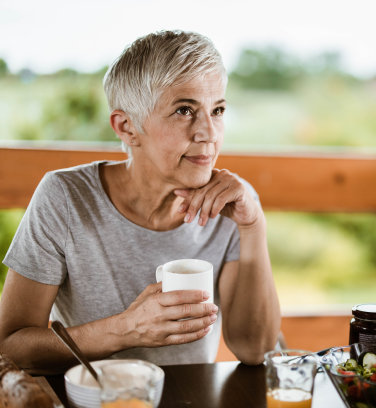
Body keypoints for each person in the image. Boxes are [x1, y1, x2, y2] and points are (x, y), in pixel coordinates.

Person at [0, 30, 281, 372]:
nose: (208, 132)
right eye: (183, 110)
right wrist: (126, 329)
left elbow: (255, 349)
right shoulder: (66, 198)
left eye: (218, 109)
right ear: (127, 127)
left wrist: (253, 226)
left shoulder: (234, 203)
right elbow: (10, 348)